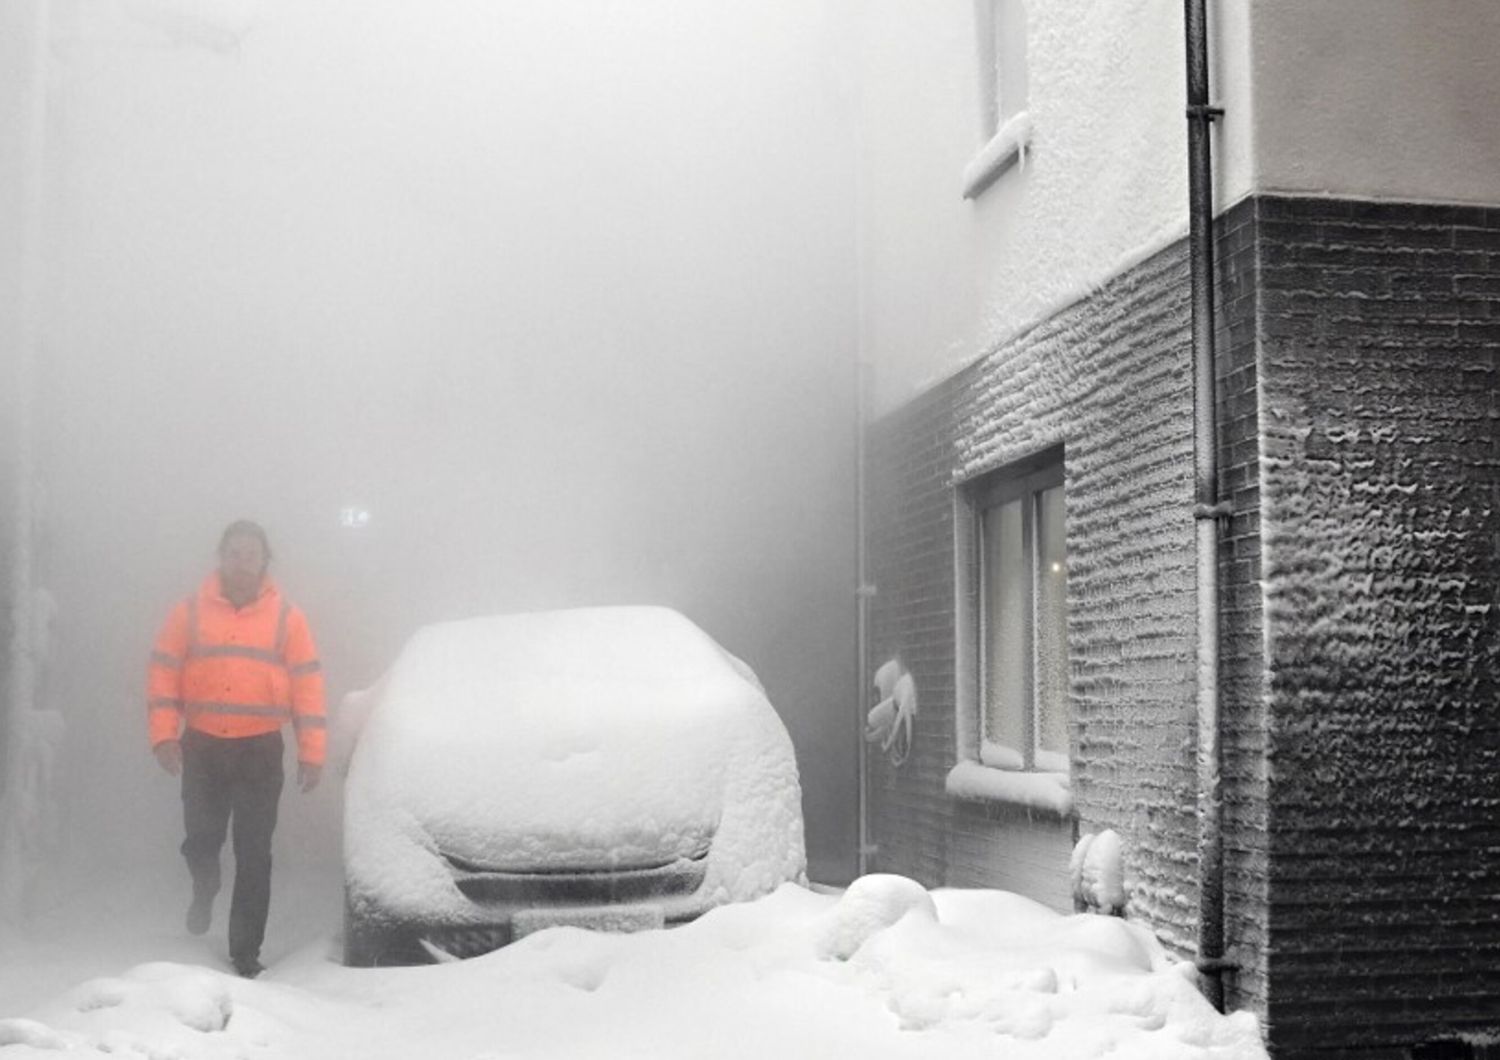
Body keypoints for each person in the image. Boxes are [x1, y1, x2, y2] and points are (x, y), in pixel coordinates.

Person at [146, 520, 326, 978]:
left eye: (251, 553)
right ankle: (205, 884)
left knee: (254, 852)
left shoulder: (288, 618)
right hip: (203, 746)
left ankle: (245, 952)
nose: (242, 562)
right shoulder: (188, 613)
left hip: (260, 751)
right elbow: (164, 673)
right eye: (234, 552)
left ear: (266, 560)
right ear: (220, 557)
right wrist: (164, 735)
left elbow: (308, 685)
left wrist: (312, 751)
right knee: (202, 839)